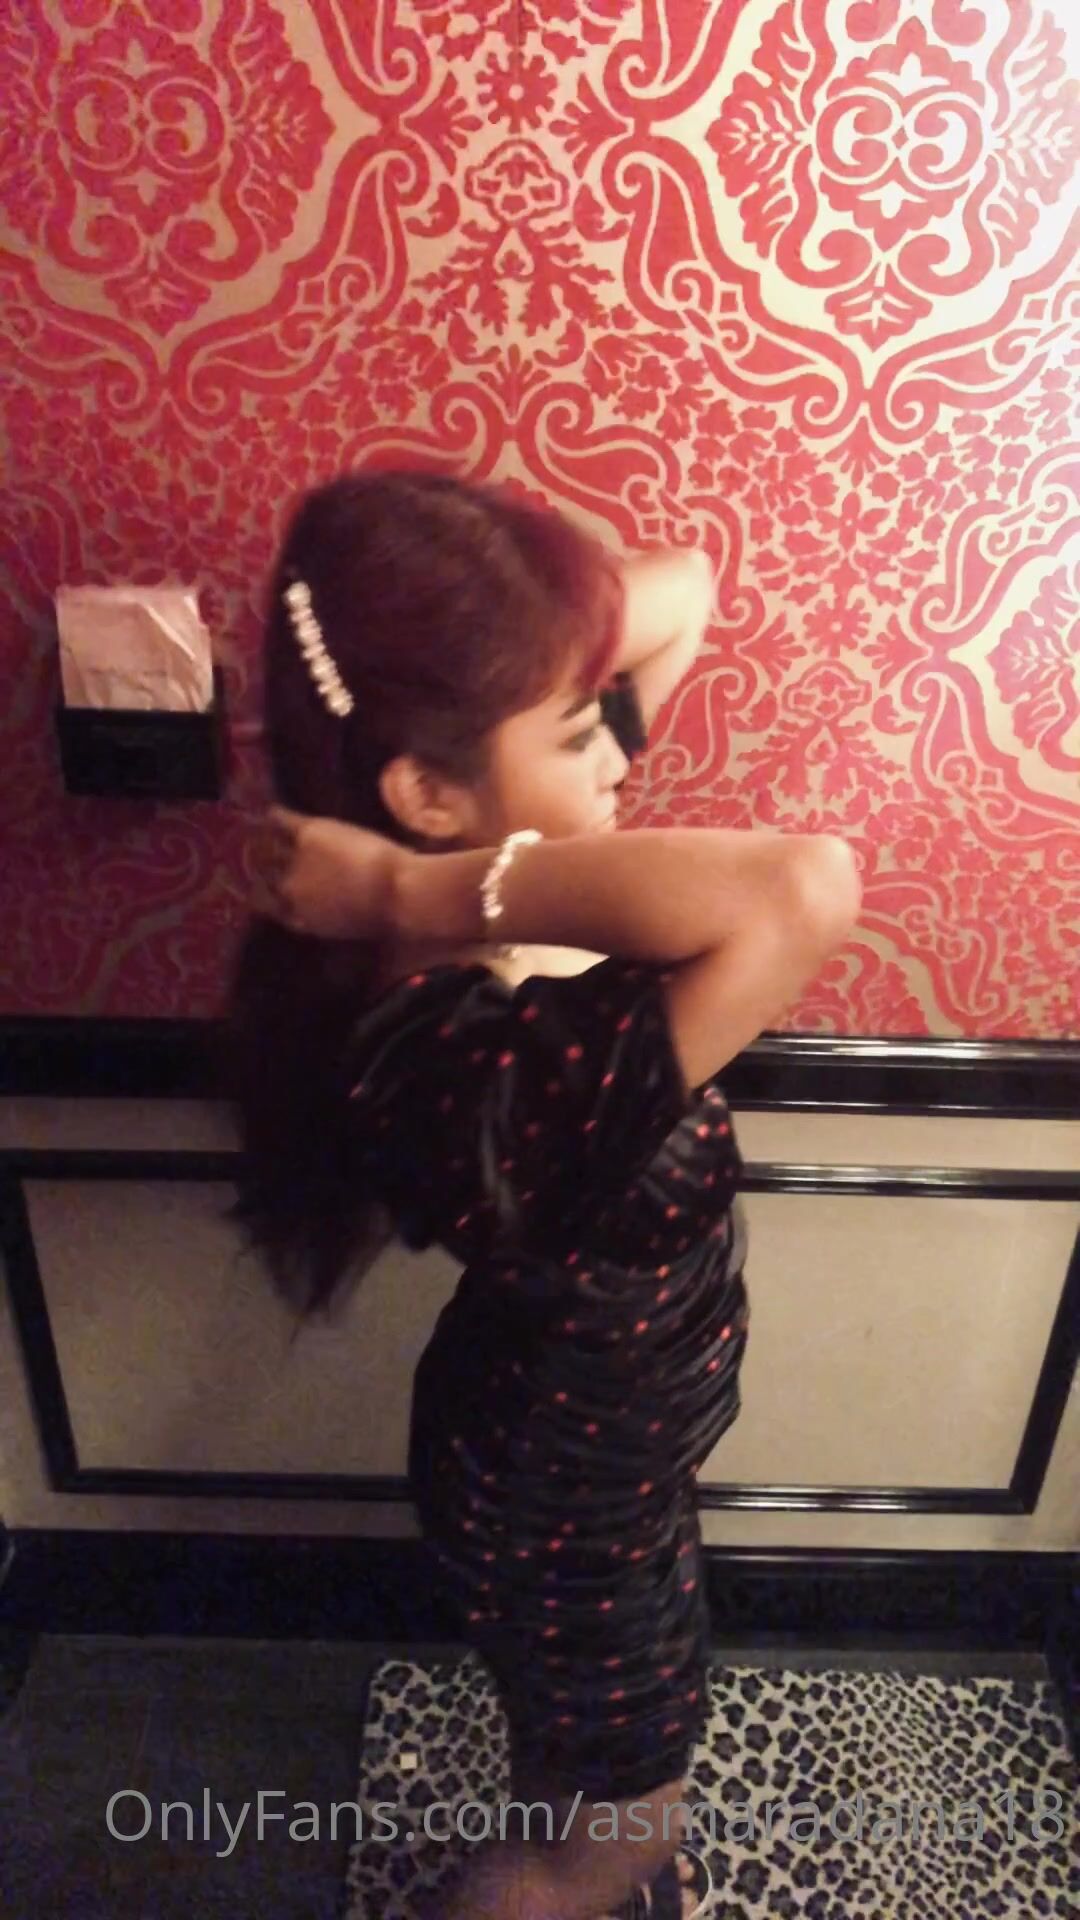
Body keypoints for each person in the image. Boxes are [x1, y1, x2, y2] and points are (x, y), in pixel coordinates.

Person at [228, 468, 862, 1919]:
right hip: (566, 1503)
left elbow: (688, 583)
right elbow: (803, 890)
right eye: (581, 730)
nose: (622, 753)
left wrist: (522, 652)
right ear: (426, 794)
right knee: (608, 1838)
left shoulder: (536, 876)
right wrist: (406, 892)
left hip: (607, 1459)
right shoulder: (454, 1055)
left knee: (584, 1773)